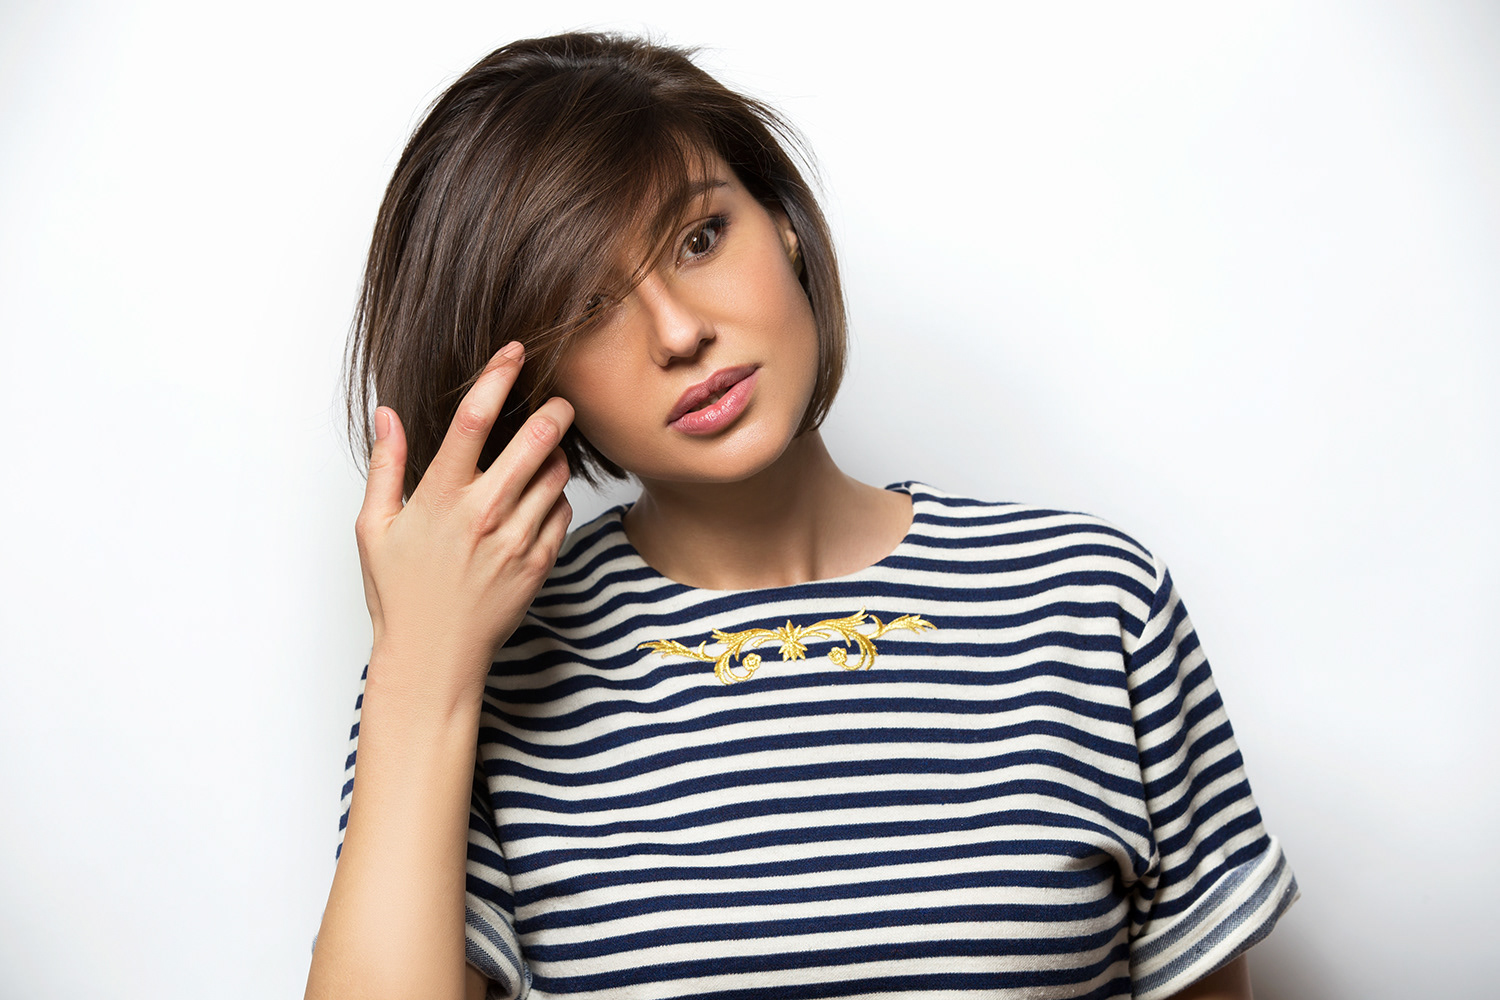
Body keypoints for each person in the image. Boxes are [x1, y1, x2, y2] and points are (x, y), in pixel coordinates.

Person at [305, 32, 1297, 1000]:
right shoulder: (477, 669)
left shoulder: (1088, 604)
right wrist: (420, 670)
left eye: (699, 238)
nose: (679, 331)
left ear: (781, 221)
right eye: (588, 305)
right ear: (531, 373)